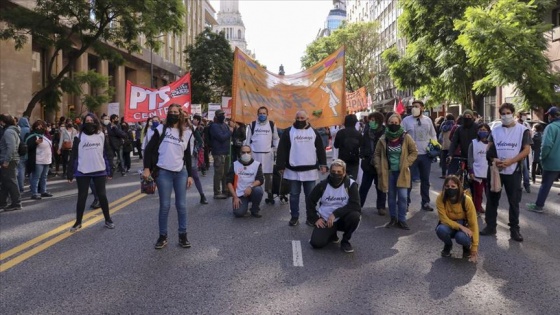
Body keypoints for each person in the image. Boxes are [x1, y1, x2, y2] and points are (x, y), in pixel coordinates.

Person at [143, 104, 194, 249]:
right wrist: (147, 168)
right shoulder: (160, 129)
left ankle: (183, 236)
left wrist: (190, 175)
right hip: (163, 172)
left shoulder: (187, 133)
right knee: (165, 206)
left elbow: (187, 156)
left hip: (180, 173)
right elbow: (148, 150)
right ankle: (162, 236)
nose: (172, 114)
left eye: (175, 112)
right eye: (170, 112)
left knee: (182, 205)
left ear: (180, 114)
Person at [480, 103, 531, 242]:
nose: (506, 116)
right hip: (496, 170)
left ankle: (514, 229)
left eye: (508, 113)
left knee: (513, 201)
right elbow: (489, 148)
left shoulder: (522, 130)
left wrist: (512, 161)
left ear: (513, 114)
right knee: (492, 199)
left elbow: (526, 150)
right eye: (503, 113)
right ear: (500, 115)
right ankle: (490, 226)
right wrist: (494, 159)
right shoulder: (495, 130)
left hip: (514, 170)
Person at [277, 110, 327, 226]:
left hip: (310, 171)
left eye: (302, 118)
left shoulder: (314, 132)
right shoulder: (288, 132)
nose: (300, 120)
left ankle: (311, 218)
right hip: (292, 170)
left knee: (310, 196)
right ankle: (294, 217)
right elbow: (282, 149)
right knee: (294, 196)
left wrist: (323, 164)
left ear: (307, 118)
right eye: (298, 118)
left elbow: (320, 149)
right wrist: (280, 165)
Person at [67, 113, 115, 231]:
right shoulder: (79, 136)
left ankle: (108, 219)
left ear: (95, 121)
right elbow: (74, 155)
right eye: (86, 120)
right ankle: (78, 222)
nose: (89, 122)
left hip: (99, 170)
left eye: (91, 120)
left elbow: (107, 153)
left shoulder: (101, 135)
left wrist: (110, 170)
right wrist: (70, 172)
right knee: (82, 197)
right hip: (83, 171)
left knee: (102, 196)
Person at [306, 159, 361, 253]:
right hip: (326, 220)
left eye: (339, 172)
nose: (336, 174)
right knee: (316, 244)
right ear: (330, 172)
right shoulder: (323, 185)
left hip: (343, 218)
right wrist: (315, 219)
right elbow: (310, 201)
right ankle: (332, 234)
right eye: (333, 172)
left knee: (355, 216)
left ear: (344, 173)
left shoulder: (351, 184)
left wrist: (335, 214)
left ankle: (345, 241)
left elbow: (355, 205)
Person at [374, 114, 418, 230]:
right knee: (391, 197)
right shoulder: (383, 138)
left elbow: (414, 152)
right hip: (388, 173)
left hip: (402, 172)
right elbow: (377, 154)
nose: (393, 125)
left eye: (396, 123)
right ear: (387, 124)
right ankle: (393, 218)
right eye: (391, 123)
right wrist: (379, 167)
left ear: (400, 123)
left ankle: (402, 219)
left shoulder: (406, 138)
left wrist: (407, 163)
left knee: (403, 197)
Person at [401, 100, 437, 211]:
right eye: (413, 106)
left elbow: (433, 135)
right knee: (408, 180)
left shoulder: (428, 120)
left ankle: (425, 202)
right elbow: (401, 134)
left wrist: (434, 149)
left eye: (416, 106)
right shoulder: (406, 120)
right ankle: (405, 203)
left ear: (422, 108)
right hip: (411, 155)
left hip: (425, 155)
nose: (414, 108)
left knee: (425, 180)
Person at [436, 175, 479, 263]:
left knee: (461, 237)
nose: (450, 188)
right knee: (440, 229)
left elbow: (473, 223)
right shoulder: (440, 198)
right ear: (444, 187)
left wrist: (474, 248)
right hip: (449, 224)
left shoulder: (466, 200)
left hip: (464, 224)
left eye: (453, 186)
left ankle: (467, 247)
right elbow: (443, 219)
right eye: (447, 186)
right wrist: (459, 226)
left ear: (458, 187)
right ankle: (448, 245)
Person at [527, 106, 560, 213]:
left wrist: (542, 157)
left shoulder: (551, 127)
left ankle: (539, 206)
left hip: (552, 162)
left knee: (545, 185)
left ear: (551, 116)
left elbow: (546, 145)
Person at [244, 106, 280, 204]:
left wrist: (278, 150)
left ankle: (269, 195)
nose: (262, 115)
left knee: (269, 177)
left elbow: (276, 139)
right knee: (255, 176)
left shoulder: (272, 124)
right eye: (260, 113)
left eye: (264, 113)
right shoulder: (252, 125)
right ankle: (254, 194)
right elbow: (247, 140)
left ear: (267, 114)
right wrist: (246, 154)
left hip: (268, 155)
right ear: (257, 114)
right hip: (255, 155)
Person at [359, 111, 387, 215]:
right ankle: (358, 206)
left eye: (373, 120)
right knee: (364, 186)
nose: (371, 122)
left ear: (379, 121)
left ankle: (381, 206)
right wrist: (363, 154)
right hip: (368, 164)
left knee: (381, 186)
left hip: (380, 164)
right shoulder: (367, 131)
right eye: (370, 120)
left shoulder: (385, 132)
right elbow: (362, 145)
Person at [226, 145, 264, 218]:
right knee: (238, 213)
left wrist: (250, 187)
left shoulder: (257, 164)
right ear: (240, 153)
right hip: (239, 193)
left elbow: (260, 179)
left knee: (258, 190)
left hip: (252, 190)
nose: (246, 154)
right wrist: (235, 197)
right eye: (243, 152)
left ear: (251, 153)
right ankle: (243, 205)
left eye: (248, 152)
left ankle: (255, 209)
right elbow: (229, 182)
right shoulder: (235, 164)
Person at [26, 120, 54, 200]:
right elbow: (28, 146)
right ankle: (34, 193)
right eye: (38, 126)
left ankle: (43, 191)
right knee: (36, 177)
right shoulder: (32, 135)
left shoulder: (45, 135)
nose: (40, 127)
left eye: (41, 126)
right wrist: (35, 143)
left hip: (46, 159)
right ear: (34, 127)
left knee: (44, 177)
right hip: (38, 160)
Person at [447, 109, 478, 178]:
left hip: (475, 157)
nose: (467, 118)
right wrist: (450, 155)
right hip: (463, 156)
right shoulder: (459, 129)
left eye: (469, 116)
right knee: (458, 175)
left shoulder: (477, 127)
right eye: (465, 116)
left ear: (472, 117)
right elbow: (454, 142)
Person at [0, 114, 22, 211]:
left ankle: (16, 203)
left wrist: (6, 160)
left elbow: (11, 147)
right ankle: (2, 202)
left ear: (3, 121)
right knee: (5, 182)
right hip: (11, 159)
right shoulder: (13, 130)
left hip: (9, 160)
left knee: (11, 182)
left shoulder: (8, 132)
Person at [209, 109, 232, 199]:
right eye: (220, 114)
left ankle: (225, 190)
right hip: (218, 152)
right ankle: (217, 192)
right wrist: (230, 131)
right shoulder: (214, 126)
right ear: (216, 116)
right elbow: (221, 137)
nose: (222, 116)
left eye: (223, 114)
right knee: (219, 173)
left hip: (226, 152)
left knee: (226, 173)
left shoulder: (225, 125)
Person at [468, 123, 490, 215]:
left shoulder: (491, 143)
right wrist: (471, 171)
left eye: (485, 130)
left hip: (489, 173)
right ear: (477, 131)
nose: (483, 131)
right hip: (477, 172)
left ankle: (490, 211)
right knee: (478, 193)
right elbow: (470, 158)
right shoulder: (473, 143)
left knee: (490, 194)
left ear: (489, 132)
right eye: (481, 129)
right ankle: (476, 209)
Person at [333, 114, 363, 180]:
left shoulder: (340, 133)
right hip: (354, 160)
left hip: (342, 159)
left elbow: (336, 145)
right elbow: (361, 146)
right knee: (352, 181)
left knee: (341, 180)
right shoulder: (358, 134)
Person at [517, 111, 532, 193]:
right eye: (523, 115)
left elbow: (530, 134)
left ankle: (527, 185)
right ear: (519, 115)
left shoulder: (526, 125)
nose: (525, 116)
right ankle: (518, 185)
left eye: (526, 115)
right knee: (518, 169)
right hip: (516, 150)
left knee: (525, 169)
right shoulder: (515, 124)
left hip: (524, 150)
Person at [16, 116, 30, 192]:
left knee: (20, 169)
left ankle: (20, 186)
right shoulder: (29, 130)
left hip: (20, 151)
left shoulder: (18, 130)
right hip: (28, 151)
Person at [438, 114, 455, 179]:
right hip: (452, 146)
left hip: (444, 145)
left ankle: (443, 174)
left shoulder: (443, 126)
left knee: (443, 161)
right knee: (451, 161)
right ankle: (450, 175)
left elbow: (440, 137)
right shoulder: (454, 126)